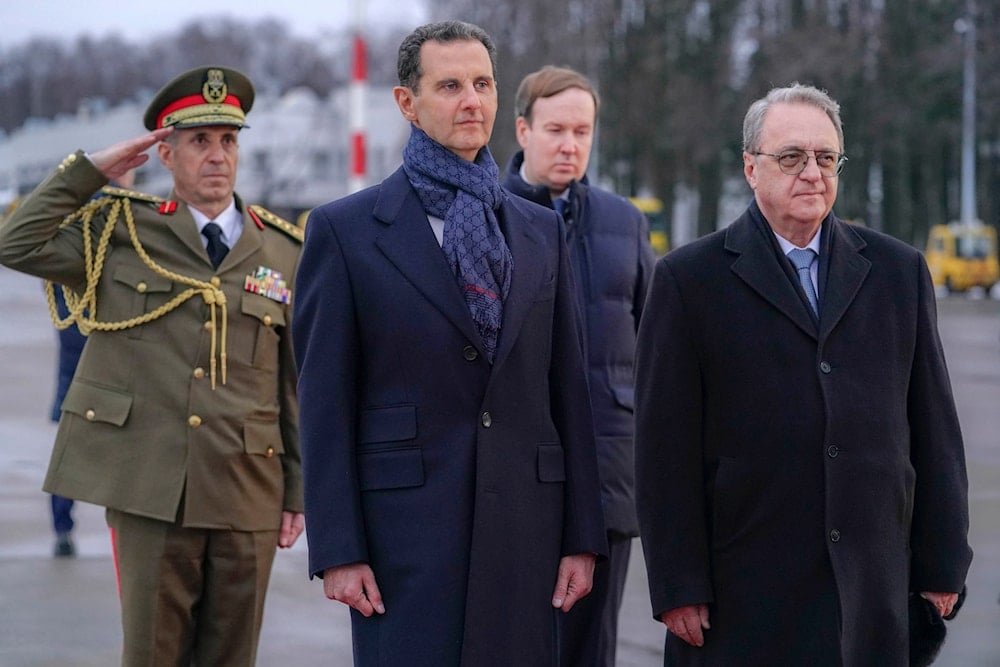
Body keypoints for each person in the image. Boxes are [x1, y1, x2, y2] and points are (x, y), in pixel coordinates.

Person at [293, 21, 607, 666]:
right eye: (451, 85)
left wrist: (583, 535)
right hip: (404, 539)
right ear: (407, 103)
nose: (473, 101)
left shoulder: (539, 230)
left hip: (527, 528)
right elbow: (324, 404)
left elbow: (567, 389)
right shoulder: (345, 231)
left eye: (484, 83)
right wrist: (339, 549)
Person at [633, 82, 973, 665]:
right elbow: (663, 450)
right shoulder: (690, 281)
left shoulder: (898, 272)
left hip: (871, 585)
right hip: (746, 586)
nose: (811, 172)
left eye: (825, 157)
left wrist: (944, 561)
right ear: (751, 168)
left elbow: (935, 429)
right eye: (791, 157)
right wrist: (677, 584)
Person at [0, 65, 305, 666]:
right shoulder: (120, 232)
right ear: (165, 152)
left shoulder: (281, 250)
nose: (217, 156)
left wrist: (296, 491)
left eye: (228, 140)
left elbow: (290, 382)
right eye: (199, 141)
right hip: (150, 489)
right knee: (152, 656)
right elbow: (16, 243)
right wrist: (90, 171)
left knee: (232, 656)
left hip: (248, 490)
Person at [501, 65, 655, 667]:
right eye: (556, 129)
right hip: (518, 471)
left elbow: (655, 345)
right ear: (523, 130)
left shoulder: (626, 222)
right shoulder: (486, 218)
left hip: (610, 470)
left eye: (583, 131)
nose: (570, 145)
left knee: (594, 649)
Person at [46, 169, 136, 559]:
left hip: (79, 371)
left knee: (70, 463)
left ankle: (63, 529)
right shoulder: (118, 221)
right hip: (100, 374)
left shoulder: (74, 228)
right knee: (119, 469)